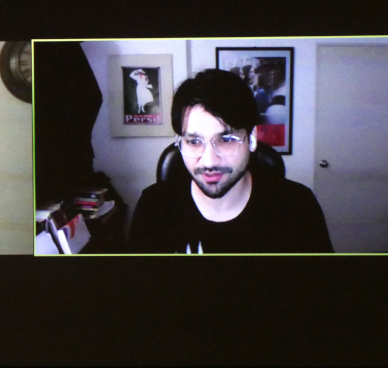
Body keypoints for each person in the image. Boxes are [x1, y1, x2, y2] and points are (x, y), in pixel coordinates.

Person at [128, 69, 333, 254]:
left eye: (226, 140)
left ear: (252, 139)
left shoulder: (297, 208)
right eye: (194, 142)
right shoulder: (153, 209)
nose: (209, 161)